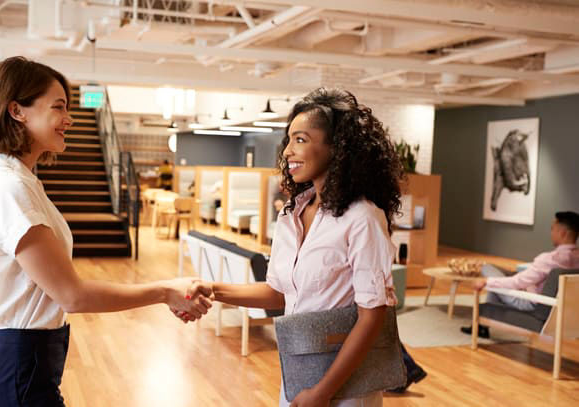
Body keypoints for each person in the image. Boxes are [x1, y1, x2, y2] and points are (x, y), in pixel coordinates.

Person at [0, 56, 210, 407]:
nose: (69, 119)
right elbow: (72, 296)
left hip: (19, 365)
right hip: (15, 370)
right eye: (59, 107)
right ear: (17, 111)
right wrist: (165, 291)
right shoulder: (10, 189)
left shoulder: (17, 180)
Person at [175, 88, 424, 406]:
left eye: (301, 139)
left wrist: (322, 393)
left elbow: (372, 316)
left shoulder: (362, 218)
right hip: (299, 373)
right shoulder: (291, 213)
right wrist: (211, 289)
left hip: (345, 390)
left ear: (338, 148)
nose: (288, 152)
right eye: (289, 140)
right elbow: (278, 292)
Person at [461, 211, 579, 338]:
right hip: (564, 311)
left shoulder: (549, 259)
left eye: (553, 229)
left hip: (532, 304)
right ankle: (481, 327)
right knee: (500, 279)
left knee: (487, 269)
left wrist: (486, 282)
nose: (551, 233)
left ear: (562, 233)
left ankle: (480, 326)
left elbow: (517, 282)